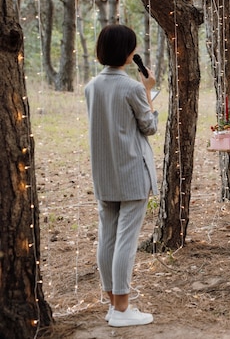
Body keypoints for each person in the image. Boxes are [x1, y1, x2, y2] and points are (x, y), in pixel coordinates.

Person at [85, 24, 158, 327]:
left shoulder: (91, 86)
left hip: (104, 172)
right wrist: (149, 91)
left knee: (107, 237)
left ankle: (113, 302)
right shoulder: (131, 87)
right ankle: (123, 309)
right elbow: (149, 126)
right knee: (126, 240)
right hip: (131, 172)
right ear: (127, 53)